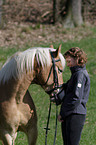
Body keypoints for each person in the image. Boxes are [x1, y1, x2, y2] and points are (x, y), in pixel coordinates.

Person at [58, 47, 90, 145]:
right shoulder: (75, 74)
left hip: (75, 114)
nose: (68, 64)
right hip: (70, 113)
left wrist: (63, 113)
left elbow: (76, 98)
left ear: (77, 59)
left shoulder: (80, 75)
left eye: (69, 61)